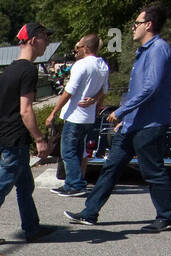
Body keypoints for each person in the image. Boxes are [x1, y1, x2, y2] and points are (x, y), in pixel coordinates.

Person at [66, 4, 171, 231]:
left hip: (149, 123)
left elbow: (151, 88)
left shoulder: (158, 49)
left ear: (149, 25)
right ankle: (90, 213)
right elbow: (139, 90)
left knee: (153, 171)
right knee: (111, 167)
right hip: (132, 124)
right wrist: (125, 120)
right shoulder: (144, 50)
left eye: (136, 23)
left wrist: (122, 112)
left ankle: (167, 216)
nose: (133, 28)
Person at [0, 23, 53, 245]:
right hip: (15, 139)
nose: (47, 43)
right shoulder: (28, 70)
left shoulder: (10, 69)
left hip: (5, 136)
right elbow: (25, 110)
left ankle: (32, 228)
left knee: (25, 185)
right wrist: (39, 138)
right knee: (1, 186)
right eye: (45, 38)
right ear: (34, 40)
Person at [46, 34, 108, 197]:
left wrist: (54, 111)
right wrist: (94, 100)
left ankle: (75, 184)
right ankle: (75, 181)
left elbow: (69, 92)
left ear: (86, 48)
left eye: (78, 48)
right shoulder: (102, 65)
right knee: (79, 150)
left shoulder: (81, 65)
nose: (76, 51)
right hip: (89, 117)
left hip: (75, 115)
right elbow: (104, 90)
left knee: (68, 151)